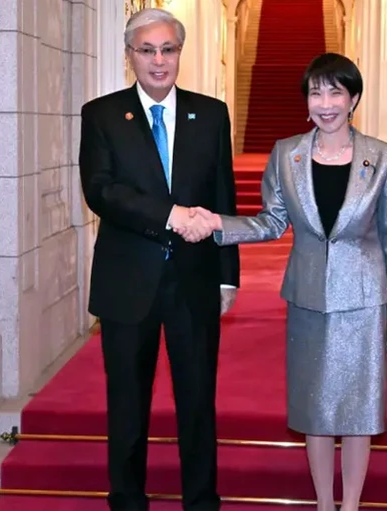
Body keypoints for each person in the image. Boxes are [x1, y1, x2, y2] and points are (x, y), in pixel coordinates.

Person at [177, 53, 387, 511]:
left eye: (335, 93)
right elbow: (271, 222)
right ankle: (324, 503)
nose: (325, 104)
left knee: (360, 412)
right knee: (313, 408)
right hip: (307, 297)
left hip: (365, 300)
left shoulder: (381, 156)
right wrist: (219, 223)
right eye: (316, 93)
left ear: (353, 99)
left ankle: (351, 504)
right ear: (306, 101)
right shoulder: (288, 154)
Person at [78, 8, 239, 511]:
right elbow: (101, 192)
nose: (159, 60)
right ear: (130, 54)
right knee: (128, 402)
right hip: (128, 281)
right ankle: (127, 500)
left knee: (198, 401)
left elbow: (224, 196)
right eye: (147, 50)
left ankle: (202, 501)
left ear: (179, 53)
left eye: (168, 49)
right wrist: (171, 215)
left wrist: (227, 277)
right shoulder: (102, 115)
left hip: (195, 279)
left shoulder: (210, 114)